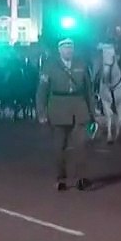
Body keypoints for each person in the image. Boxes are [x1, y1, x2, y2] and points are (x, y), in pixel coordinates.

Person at [36, 38, 97, 191]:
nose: (68, 50)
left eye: (70, 48)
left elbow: (88, 90)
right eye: (65, 48)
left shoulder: (81, 64)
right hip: (58, 109)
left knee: (81, 145)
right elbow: (42, 91)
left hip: (79, 107)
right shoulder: (50, 66)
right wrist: (41, 112)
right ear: (59, 50)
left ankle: (80, 178)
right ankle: (60, 178)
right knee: (59, 147)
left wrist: (92, 112)